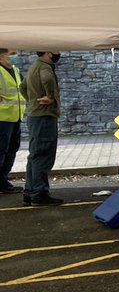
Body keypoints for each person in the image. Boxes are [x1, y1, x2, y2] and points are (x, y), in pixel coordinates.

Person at [20, 51, 61, 206]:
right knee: (43, 155)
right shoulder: (45, 67)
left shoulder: (34, 66)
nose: (59, 52)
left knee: (35, 155)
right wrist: (50, 97)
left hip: (35, 116)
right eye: (56, 50)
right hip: (44, 117)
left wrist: (32, 103)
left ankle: (30, 192)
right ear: (49, 52)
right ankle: (39, 193)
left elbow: (22, 87)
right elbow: (47, 79)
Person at [0, 49, 24, 193]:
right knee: (1, 150)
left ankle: (3, 180)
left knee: (12, 149)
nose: (15, 56)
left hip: (15, 117)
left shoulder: (15, 70)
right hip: (2, 118)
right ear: (2, 56)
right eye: (12, 53)